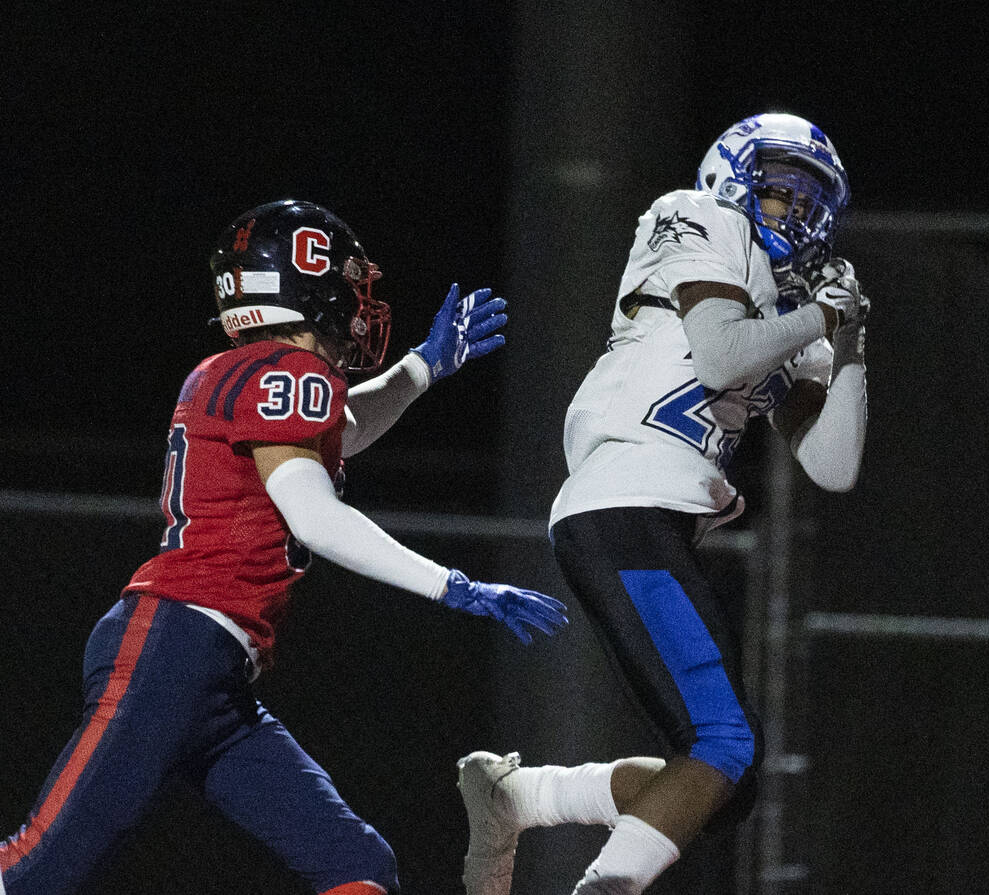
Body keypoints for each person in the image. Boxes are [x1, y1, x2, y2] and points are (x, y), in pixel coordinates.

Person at [0, 199, 568, 895]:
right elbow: (316, 515)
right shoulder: (287, 373)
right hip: (175, 645)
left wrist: (421, 369)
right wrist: (455, 585)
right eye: (350, 281)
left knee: (357, 866)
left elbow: (340, 430)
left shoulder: (252, 372)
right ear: (310, 286)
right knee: (35, 871)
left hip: (208, 668)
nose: (361, 301)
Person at [455, 112, 869, 894]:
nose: (794, 211)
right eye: (780, 189)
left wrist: (849, 346)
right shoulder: (699, 214)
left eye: (810, 201)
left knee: (725, 784)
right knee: (722, 742)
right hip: (624, 502)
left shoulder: (789, 309)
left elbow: (834, 463)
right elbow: (719, 354)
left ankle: (522, 795)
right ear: (733, 175)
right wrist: (822, 318)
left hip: (646, 521)